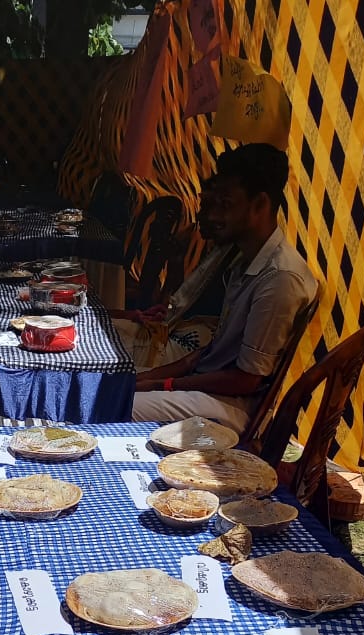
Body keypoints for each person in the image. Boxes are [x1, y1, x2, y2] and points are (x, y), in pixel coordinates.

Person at [131, 144, 318, 434]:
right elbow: (208, 354)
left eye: (226, 205)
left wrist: (163, 385)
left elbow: (246, 380)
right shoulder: (244, 260)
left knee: (118, 403)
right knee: (112, 382)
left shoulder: (280, 278)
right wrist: (152, 377)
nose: (214, 216)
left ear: (260, 205)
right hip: (206, 386)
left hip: (232, 407)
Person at [112, 178, 239, 370]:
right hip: (169, 333)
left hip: (180, 345)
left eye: (207, 207)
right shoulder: (215, 252)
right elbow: (177, 304)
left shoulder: (229, 266)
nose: (200, 216)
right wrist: (176, 261)